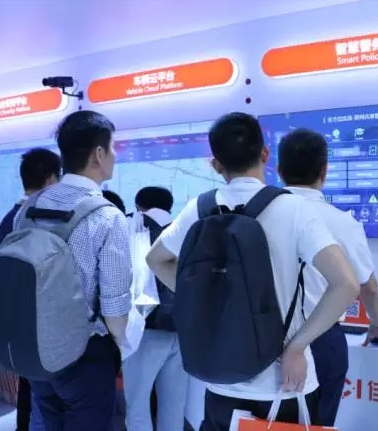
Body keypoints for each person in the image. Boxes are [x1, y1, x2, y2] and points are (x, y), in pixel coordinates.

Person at [146, 112, 360, 431]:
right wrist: (297, 346)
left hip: (220, 378)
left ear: (215, 164)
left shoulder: (199, 209)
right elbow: (346, 284)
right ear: (265, 153)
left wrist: (200, 297)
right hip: (284, 384)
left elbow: (155, 259)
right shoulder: (293, 209)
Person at [15, 110, 132, 430]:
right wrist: (121, 344)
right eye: (113, 147)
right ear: (98, 154)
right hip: (85, 354)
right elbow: (115, 310)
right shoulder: (107, 216)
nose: (115, 154)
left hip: (36, 348)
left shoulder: (29, 208)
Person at [277, 128, 378, 427]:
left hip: (266, 336)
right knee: (319, 420)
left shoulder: (262, 215)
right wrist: (377, 325)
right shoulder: (341, 222)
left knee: (266, 418)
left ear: (279, 171)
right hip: (322, 338)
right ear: (324, 171)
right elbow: (367, 286)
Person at [0, 147, 60, 431]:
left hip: (20, 318)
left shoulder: (9, 218)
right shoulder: (39, 219)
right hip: (44, 320)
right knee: (44, 397)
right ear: (51, 178)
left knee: (29, 389)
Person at [122, 186, 186, 431]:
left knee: (137, 406)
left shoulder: (133, 226)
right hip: (182, 329)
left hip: (144, 329)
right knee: (174, 406)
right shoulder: (186, 228)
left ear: (139, 206)